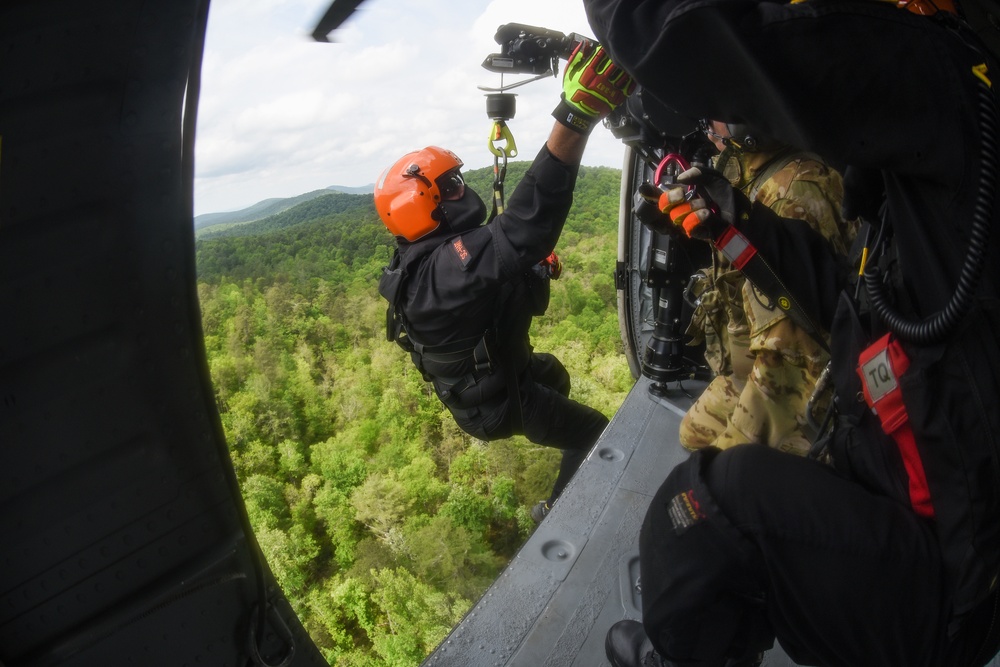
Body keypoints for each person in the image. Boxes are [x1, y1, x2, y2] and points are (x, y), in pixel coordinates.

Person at [583, 0, 1000, 666]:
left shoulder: (944, 87)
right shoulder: (934, 169)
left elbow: (701, 40)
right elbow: (850, 303)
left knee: (696, 510)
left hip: (951, 575)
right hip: (909, 495)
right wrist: (733, 220)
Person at [374, 41, 633, 522]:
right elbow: (521, 230)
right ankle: (555, 514)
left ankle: (549, 429)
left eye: (457, 178)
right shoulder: (436, 274)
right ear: (421, 205)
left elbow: (518, 290)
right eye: (449, 185)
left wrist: (533, 266)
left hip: (500, 378)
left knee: (554, 373)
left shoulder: (437, 259)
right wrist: (574, 116)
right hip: (494, 405)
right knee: (595, 433)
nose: (462, 188)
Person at [680, 120, 857, 456]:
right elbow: (743, 284)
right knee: (692, 433)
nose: (706, 128)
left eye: (712, 116)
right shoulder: (746, 175)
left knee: (709, 477)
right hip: (758, 359)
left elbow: (798, 359)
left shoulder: (791, 191)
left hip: (809, 384)